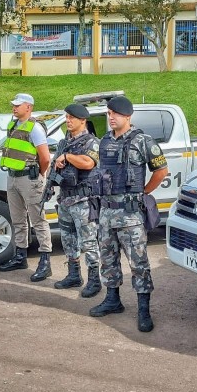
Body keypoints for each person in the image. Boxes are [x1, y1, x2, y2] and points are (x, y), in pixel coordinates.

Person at [90, 96, 168, 333]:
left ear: (127, 116)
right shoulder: (104, 142)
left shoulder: (143, 141)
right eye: (108, 114)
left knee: (139, 263)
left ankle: (143, 309)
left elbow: (161, 171)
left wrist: (143, 192)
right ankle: (113, 300)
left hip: (130, 214)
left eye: (115, 114)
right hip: (106, 213)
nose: (110, 118)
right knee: (108, 259)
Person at [0, 93, 53, 281]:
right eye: (13, 105)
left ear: (28, 107)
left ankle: (45, 261)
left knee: (38, 220)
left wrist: (39, 175)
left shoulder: (35, 128)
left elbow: (45, 157)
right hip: (12, 177)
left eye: (18, 105)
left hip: (29, 179)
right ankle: (20, 256)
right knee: (18, 219)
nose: (14, 108)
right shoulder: (13, 125)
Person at [51, 103, 102, 297]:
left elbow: (88, 163)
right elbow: (56, 164)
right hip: (65, 199)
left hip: (83, 201)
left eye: (71, 118)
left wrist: (67, 156)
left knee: (89, 241)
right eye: (66, 117)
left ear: (83, 120)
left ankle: (94, 280)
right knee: (68, 240)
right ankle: (74, 275)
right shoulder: (65, 141)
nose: (68, 120)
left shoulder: (91, 142)